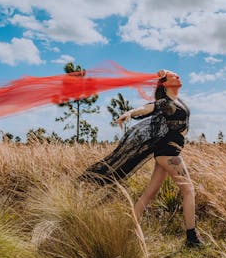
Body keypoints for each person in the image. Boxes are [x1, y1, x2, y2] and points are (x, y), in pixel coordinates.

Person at [80, 69, 202, 247]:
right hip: (169, 152)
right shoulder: (165, 102)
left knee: (149, 194)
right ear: (165, 84)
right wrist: (130, 113)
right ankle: (192, 238)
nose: (178, 76)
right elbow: (147, 108)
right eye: (174, 76)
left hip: (166, 152)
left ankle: (128, 231)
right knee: (189, 190)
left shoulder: (177, 101)